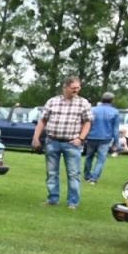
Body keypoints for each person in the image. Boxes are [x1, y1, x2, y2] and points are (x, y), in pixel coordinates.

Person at [33, 76, 92, 208]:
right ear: (65, 87)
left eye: (78, 88)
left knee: (73, 173)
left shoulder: (83, 103)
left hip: (72, 143)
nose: (76, 90)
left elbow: (87, 122)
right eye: (73, 88)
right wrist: (36, 137)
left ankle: (73, 202)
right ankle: (52, 199)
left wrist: (80, 138)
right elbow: (42, 120)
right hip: (52, 141)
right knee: (51, 172)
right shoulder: (52, 102)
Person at [84, 92, 120, 184]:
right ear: (112, 100)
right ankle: (94, 178)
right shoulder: (115, 112)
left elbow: (87, 123)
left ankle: (87, 175)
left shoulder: (93, 110)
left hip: (91, 137)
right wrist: (116, 143)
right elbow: (115, 129)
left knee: (89, 157)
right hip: (105, 138)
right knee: (101, 159)